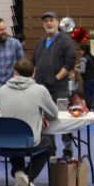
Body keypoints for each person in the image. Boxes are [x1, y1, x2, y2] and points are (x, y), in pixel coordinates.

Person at [0, 59, 58, 186]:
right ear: (33, 73)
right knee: (49, 145)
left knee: (13, 136)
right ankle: (27, 177)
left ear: (15, 73)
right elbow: (54, 114)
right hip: (28, 141)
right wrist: (41, 114)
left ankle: (19, 171)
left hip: (4, 141)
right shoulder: (40, 90)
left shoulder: (2, 90)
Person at [33, 11, 77, 158]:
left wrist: (56, 78)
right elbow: (34, 64)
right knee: (45, 120)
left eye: (51, 20)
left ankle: (68, 150)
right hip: (41, 90)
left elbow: (70, 62)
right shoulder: (39, 43)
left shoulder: (65, 41)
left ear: (57, 22)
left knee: (64, 120)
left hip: (59, 89)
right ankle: (49, 150)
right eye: (45, 21)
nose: (48, 23)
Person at [77, 43, 94, 111]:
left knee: (87, 93)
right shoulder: (93, 57)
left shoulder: (83, 59)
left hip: (88, 79)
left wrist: (76, 69)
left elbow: (82, 70)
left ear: (83, 51)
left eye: (80, 50)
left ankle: (88, 107)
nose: (80, 51)